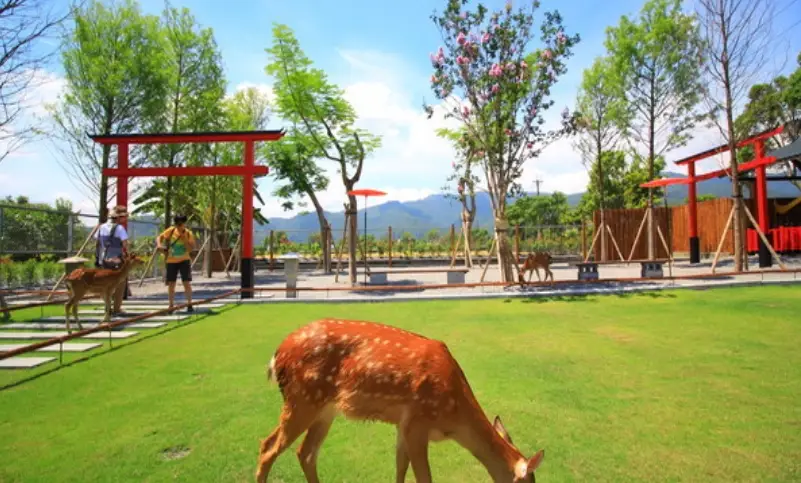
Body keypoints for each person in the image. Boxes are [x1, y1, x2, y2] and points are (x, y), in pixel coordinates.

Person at [93, 205, 130, 315]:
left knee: (105, 284)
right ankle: (117, 308)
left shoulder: (101, 227)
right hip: (116, 260)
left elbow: (97, 241)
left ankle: (107, 307)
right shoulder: (119, 228)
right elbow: (125, 244)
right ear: (119, 218)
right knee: (120, 283)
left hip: (103, 259)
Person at [157, 214, 195, 312]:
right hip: (171, 260)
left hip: (184, 260)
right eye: (177, 224)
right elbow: (160, 237)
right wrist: (159, 245)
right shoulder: (171, 230)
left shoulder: (188, 233)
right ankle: (171, 305)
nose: (179, 226)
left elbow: (190, 249)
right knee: (171, 283)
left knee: (186, 282)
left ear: (184, 223)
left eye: (181, 224)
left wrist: (184, 239)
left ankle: (189, 303)